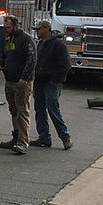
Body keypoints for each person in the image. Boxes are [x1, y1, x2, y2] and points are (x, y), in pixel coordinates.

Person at [30, 20, 72, 150]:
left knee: (53, 110)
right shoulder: (41, 44)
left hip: (51, 83)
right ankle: (44, 138)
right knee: (40, 109)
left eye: (38, 29)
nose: (36, 31)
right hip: (39, 81)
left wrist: (55, 80)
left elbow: (66, 65)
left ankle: (65, 138)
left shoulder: (59, 45)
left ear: (46, 29)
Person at [0, 15, 35, 155]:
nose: (5, 30)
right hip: (10, 80)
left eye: (8, 27)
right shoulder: (8, 38)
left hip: (21, 82)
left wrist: (24, 79)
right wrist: (1, 63)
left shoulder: (26, 39)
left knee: (22, 111)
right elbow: (5, 54)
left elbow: (31, 60)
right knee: (13, 110)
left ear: (15, 26)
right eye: (4, 27)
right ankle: (15, 137)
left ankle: (23, 142)